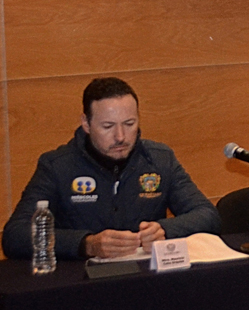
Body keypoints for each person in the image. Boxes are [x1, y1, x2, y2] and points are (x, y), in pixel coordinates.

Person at [1, 77, 219, 260]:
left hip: (146, 278)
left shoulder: (160, 159)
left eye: (129, 124)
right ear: (86, 124)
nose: (120, 136)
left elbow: (207, 215)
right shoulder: (57, 166)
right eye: (108, 126)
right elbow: (15, 235)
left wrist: (165, 230)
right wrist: (86, 244)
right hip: (82, 282)